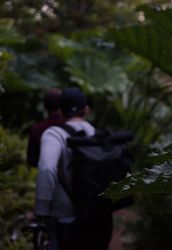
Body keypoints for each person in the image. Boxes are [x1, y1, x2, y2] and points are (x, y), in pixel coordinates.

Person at [34, 87, 113, 250]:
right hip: (98, 218)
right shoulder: (98, 135)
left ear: (61, 111)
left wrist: (41, 209)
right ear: (87, 110)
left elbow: (47, 169)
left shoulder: (54, 134)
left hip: (66, 218)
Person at [27, 88, 64, 167]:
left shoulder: (36, 129)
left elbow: (32, 160)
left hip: (44, 173)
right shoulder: (69, 126)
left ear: (45, 106)